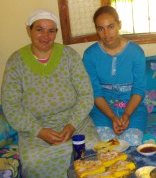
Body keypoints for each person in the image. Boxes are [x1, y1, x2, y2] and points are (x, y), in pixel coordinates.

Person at [1, 9, 99, 178]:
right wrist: (38, 130)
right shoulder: (16, 61)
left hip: (75, 123)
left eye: (51, 30)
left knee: (91, 149)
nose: (45, 36)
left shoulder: (69, 56)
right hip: (35, 129)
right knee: (33, 161)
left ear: (56, 33)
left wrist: (71, 124)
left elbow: (86, 95)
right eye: (39, 29)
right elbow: (11, 105)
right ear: (28, 30)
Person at [83, 5, 147, 146]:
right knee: (106, 145)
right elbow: (95, 92)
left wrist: (126, 115)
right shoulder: (90, 55)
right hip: (103, 111)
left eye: (111, 26)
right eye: (101, 28)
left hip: (133, 109)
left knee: (132, 142)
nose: (106, 33)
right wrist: (112, 116)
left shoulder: (136, 52)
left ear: (119, 25)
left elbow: (139, 89)